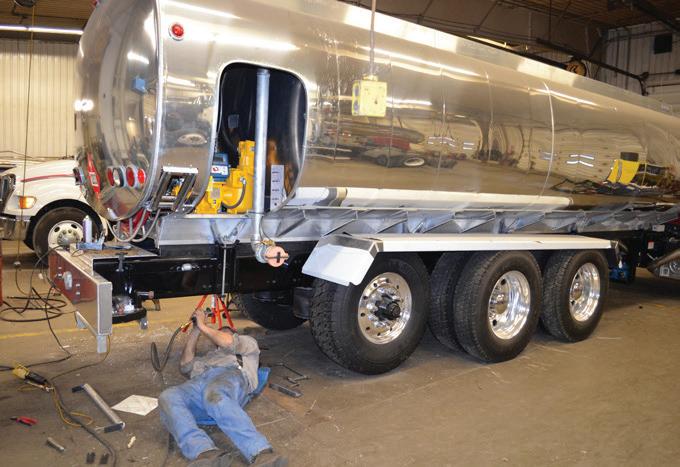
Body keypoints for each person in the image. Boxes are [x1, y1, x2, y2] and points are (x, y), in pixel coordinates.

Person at [158, 309, 286, 467]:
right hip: (199, 382)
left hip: (231, 375)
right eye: (219, 332)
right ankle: (205, 452)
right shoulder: (209, 356)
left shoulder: (247, 344)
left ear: (234, 333)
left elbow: (228, 342)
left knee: (215, 394)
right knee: (168, 396)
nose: (221, 332)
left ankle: (261, 453)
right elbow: (185, 366)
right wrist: (196, 330)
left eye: (225, 331)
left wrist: (203, 325)